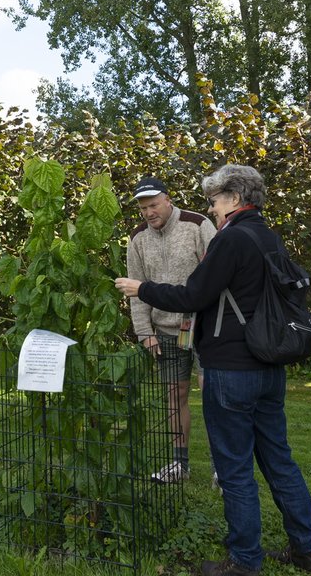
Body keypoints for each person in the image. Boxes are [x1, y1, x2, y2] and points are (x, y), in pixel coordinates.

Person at [115, 165, 311, 576]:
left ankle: (245, 561)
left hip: (232, 368)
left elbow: (195, 293)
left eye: (214, 200)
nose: (211, 209)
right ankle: (308, 549)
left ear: (233, 198)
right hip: (268, 365)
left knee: (234, 468)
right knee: (279, 459)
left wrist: (143, 289)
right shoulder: (267, 236)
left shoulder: (231, 239)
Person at [127, 176, 216, 484]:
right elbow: (135, 289)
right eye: (143, 208)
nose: (149, 213)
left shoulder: (198, 225)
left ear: (168, 199)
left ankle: (223, 467)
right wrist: (144, 331)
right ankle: (180, 464)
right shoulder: (137, 238)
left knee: (212, 394)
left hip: (204, 327)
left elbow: (220, 274)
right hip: (165, 330)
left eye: (153, 205)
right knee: (174, 395)